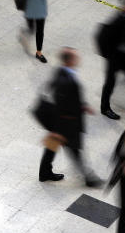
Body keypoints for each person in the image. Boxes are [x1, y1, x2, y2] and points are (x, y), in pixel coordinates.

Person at [38, 48, 101, 186]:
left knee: (52, 147)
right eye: (75, 57)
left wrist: (83, 105)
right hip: (67, 123)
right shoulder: (67, 81)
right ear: (69, 61)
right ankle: (89, 179)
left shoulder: (61, 71)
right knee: (74, 150)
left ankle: (44, 172)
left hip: (61, 122)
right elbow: (61, 103)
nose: (78, 59)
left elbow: (64, 98)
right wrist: (57, 130)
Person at [97, 0, 125, 120]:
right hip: (114, 57)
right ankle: (105, 108)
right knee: (110, 82)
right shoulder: (120, 20)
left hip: (122, 55)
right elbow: (115, 38)